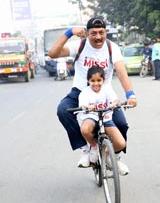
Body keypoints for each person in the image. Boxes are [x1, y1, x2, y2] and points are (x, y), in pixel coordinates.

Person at [48, 16, 137, 170]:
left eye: (101, 32)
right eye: (93, 33)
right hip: (80, 93)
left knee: (121, 123)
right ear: (87, 33)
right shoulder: (80, 45)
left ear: (106, 32)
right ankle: (86, 149)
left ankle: (115, 157)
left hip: (104, 94)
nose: (98, 37)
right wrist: (69, 32)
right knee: (62, 110)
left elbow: (121, 72)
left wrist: (130, 95)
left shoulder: (112, 48)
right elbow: (53, 53)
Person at [78, 66, 129, 175]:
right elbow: (82, 104)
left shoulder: (107, 89)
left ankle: (108, 155)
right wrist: (87, 107)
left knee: (121, 143)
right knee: (85, 129)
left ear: (103, 80)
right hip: (91, 117)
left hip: (106, 117)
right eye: (92, 81)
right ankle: (94, 147)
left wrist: (113, 104)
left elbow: (116, 100)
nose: (96, 83)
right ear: (88, 81)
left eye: (99, 80)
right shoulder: (85, 92)